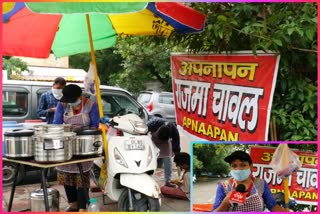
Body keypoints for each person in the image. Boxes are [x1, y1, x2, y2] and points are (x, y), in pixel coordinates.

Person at [53, 84, 99, 212]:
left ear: (80, 96)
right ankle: (73, 203)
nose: (70, 103)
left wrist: (83, 131)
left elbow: (95, 125)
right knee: (66, 175)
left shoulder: (91, 105)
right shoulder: (62, 105)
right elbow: (56, 123)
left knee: (81, 177)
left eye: (72, 100)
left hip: (84, 145)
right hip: (66, 144)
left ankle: (82, 206)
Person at [213, 150, 285, 212]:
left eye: (243, 165)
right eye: (234, 166)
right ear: (230, 168)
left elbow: (273, 206)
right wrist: (225, 203)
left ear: (250, 166)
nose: (238, 169)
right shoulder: (223, 186)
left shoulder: (261, 183)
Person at [146, 117, 181, 187]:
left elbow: (176, 141)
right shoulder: (151, 124)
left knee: (168, 161)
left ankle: (168, 181)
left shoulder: (172, 128)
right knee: (149, 161)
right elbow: (141, 133)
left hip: (166, 144)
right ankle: (146, 180)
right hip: (153, 142)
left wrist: (178, 155)